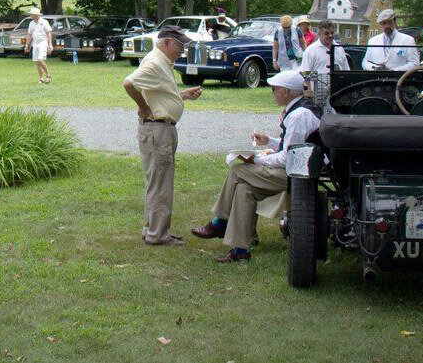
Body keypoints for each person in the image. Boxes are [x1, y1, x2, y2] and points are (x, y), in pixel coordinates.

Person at [191, 70, 322, 263]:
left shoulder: (298, 116)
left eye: (275, 89)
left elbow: (288, 159)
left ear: (286, 92)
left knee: (237, 171)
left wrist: (255, 160)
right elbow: (293, 145)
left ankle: (220, 222)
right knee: (244, 190)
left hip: (297, 175)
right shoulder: (300, 110)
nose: (272, 92)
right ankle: (240, 250)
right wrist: (269, 141)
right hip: (297, 169)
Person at [123, 26, 204, 246]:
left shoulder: (161, 61)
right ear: (166, 42)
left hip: (160, 128)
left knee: (156, 181)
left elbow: (160, 93)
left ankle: (152, 229)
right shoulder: (155, 63)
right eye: (179, 46)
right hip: (158, 130)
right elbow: (129, 83)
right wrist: (142, 107)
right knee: (161, 184)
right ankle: (157, 235)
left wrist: (182, 96)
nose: (182, 50)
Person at [24, 8, 53, 84]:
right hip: (35, 44)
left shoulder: (44, 22)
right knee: (37, 62)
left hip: (43, 43)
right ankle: (41, 78)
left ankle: (48, 75)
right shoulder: (31, 23)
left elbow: (48, 33)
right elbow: (29, 35)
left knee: (40, 59)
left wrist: (50, 44)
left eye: (31, 14)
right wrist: (27, 45)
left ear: (36, 15)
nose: (30, 15)